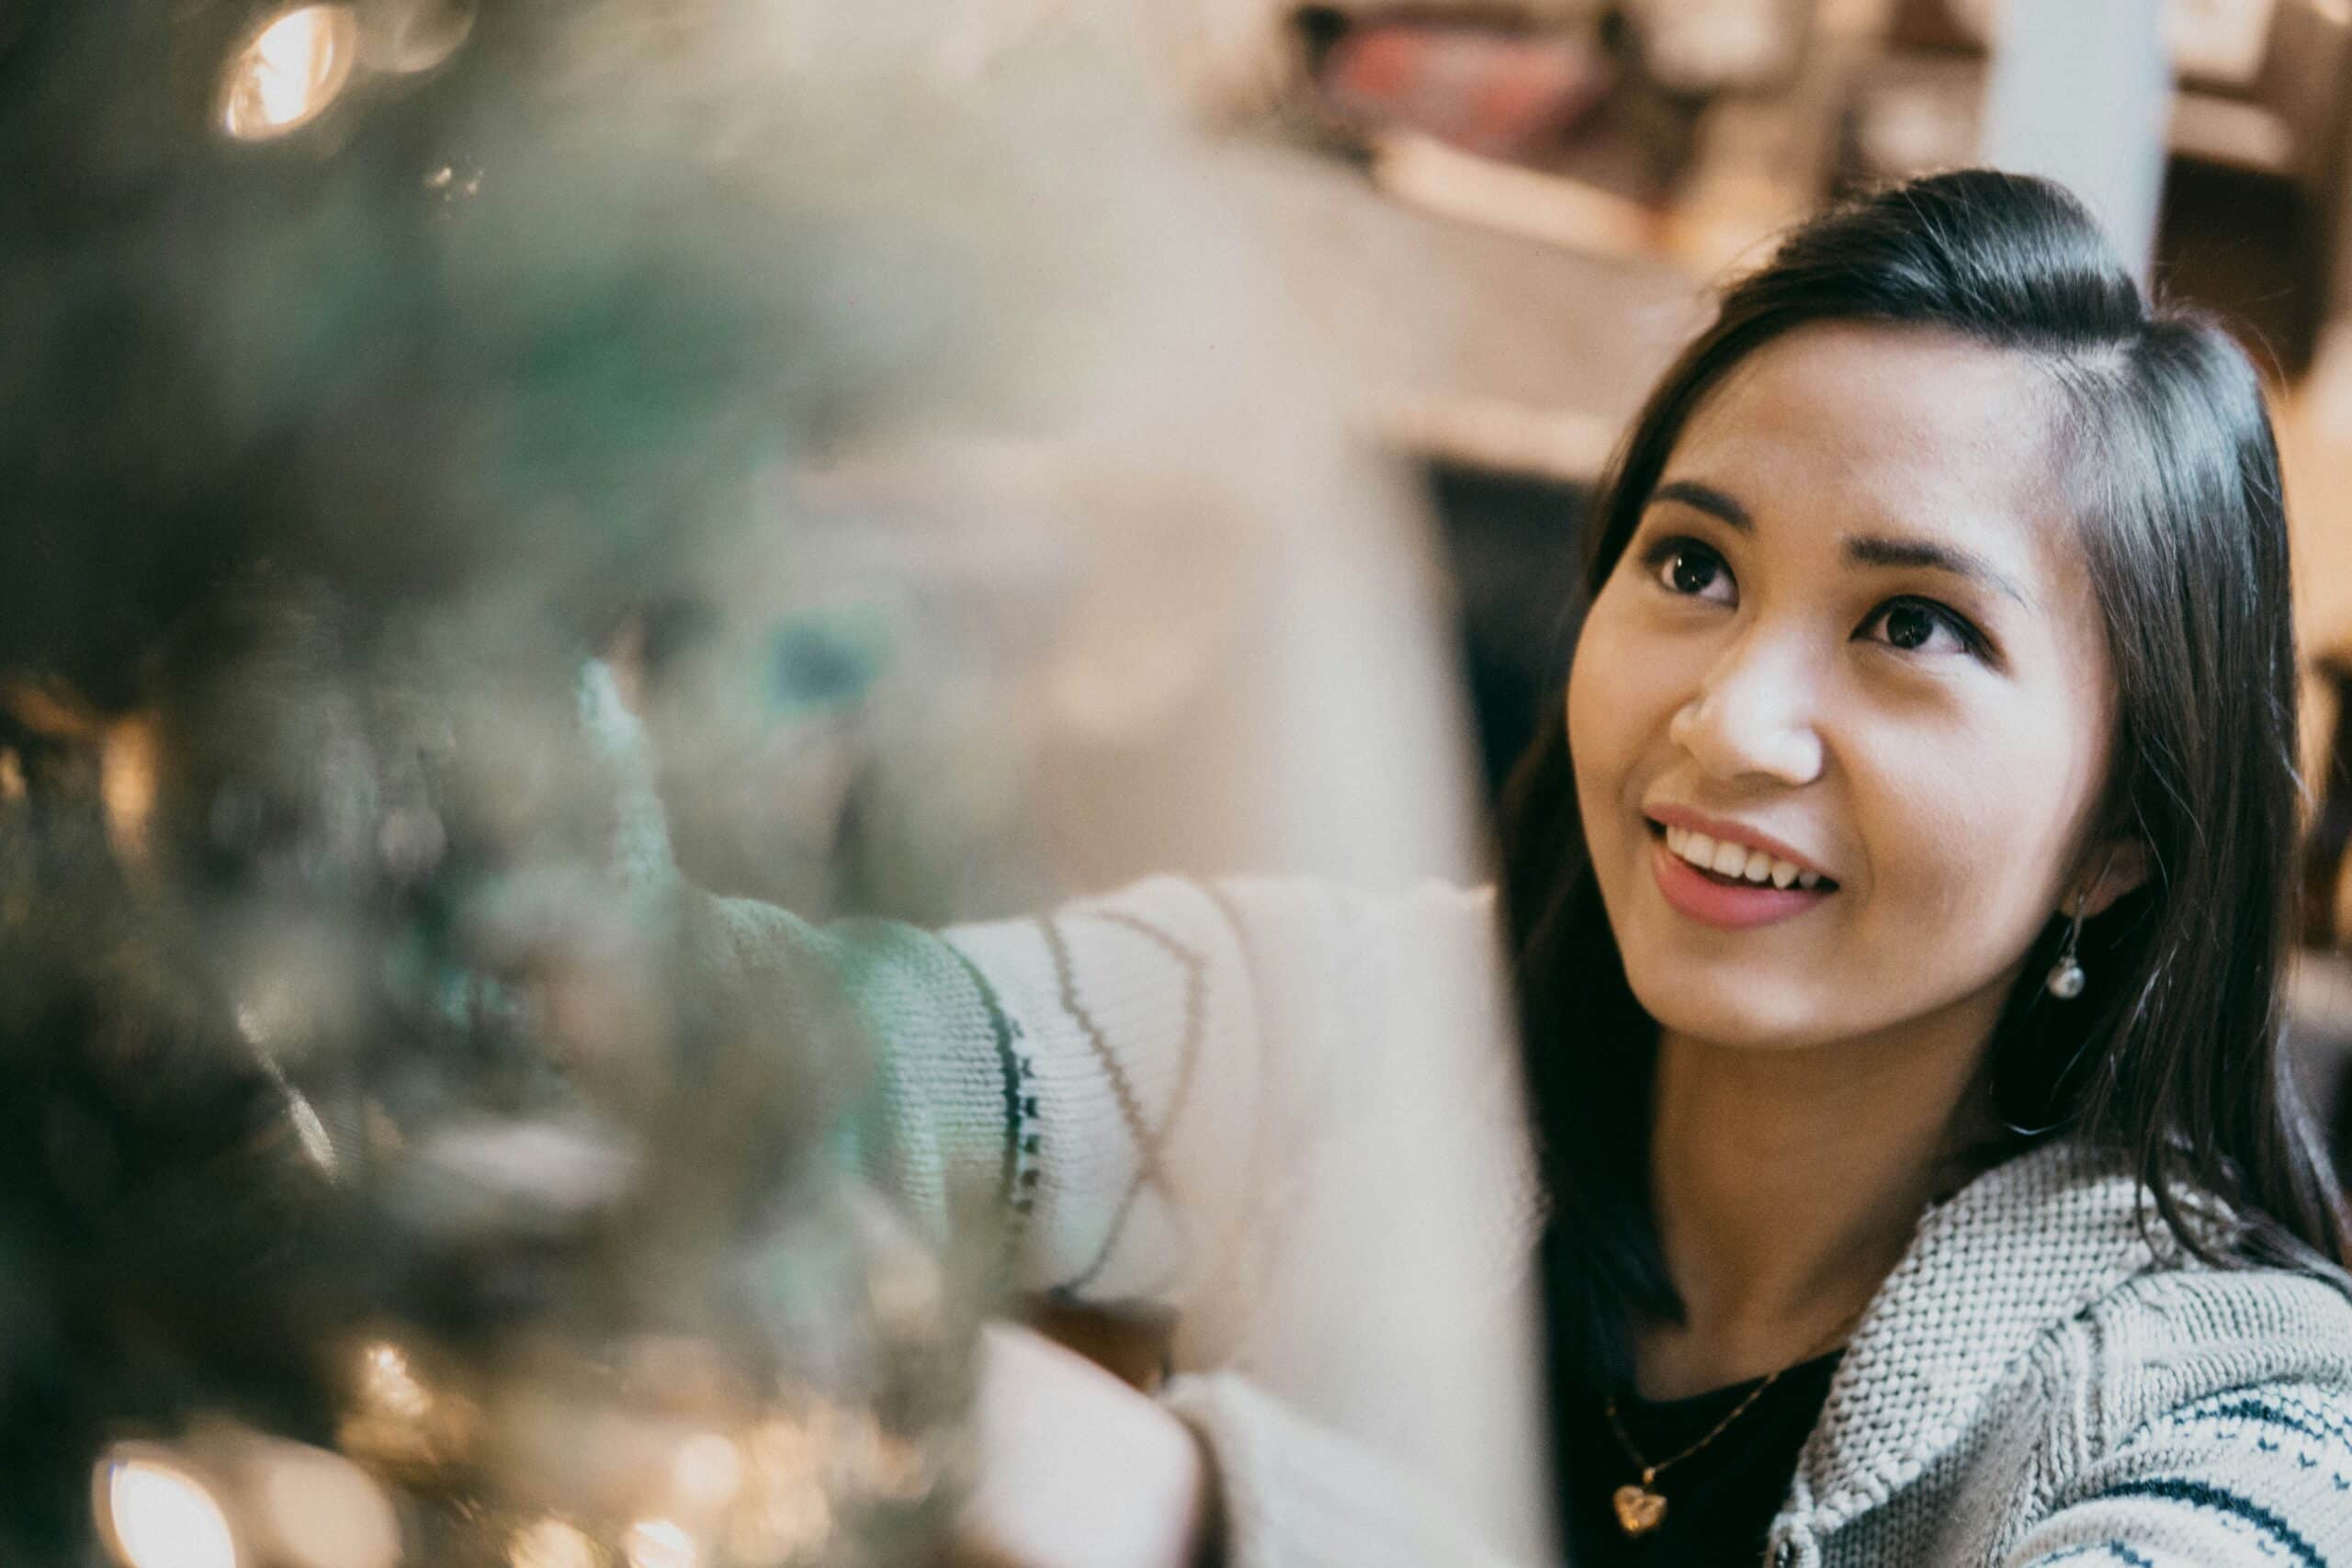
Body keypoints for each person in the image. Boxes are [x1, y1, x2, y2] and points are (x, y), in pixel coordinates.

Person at [673, 166, 2352, 1568]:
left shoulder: (2244, 1417)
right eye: (1692, 564)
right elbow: (729, 1036)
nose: (1731, 719)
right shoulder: (1340, 1021)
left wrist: (1210, 1518)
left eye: (1911, 624)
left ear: (2125, 835)